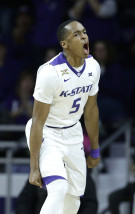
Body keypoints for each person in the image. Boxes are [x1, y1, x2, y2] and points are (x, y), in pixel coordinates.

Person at [25, 19, 100, 214]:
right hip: (47, 132)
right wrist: (33, 166)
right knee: (58, 189)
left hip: (73, 131)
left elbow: (91, 111)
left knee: (73, 202)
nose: (83, 36)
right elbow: (37, 121)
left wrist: (95, 148)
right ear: (64, 44)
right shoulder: (50, 73)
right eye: (76, 34)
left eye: (84, 32)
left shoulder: (93, 67)